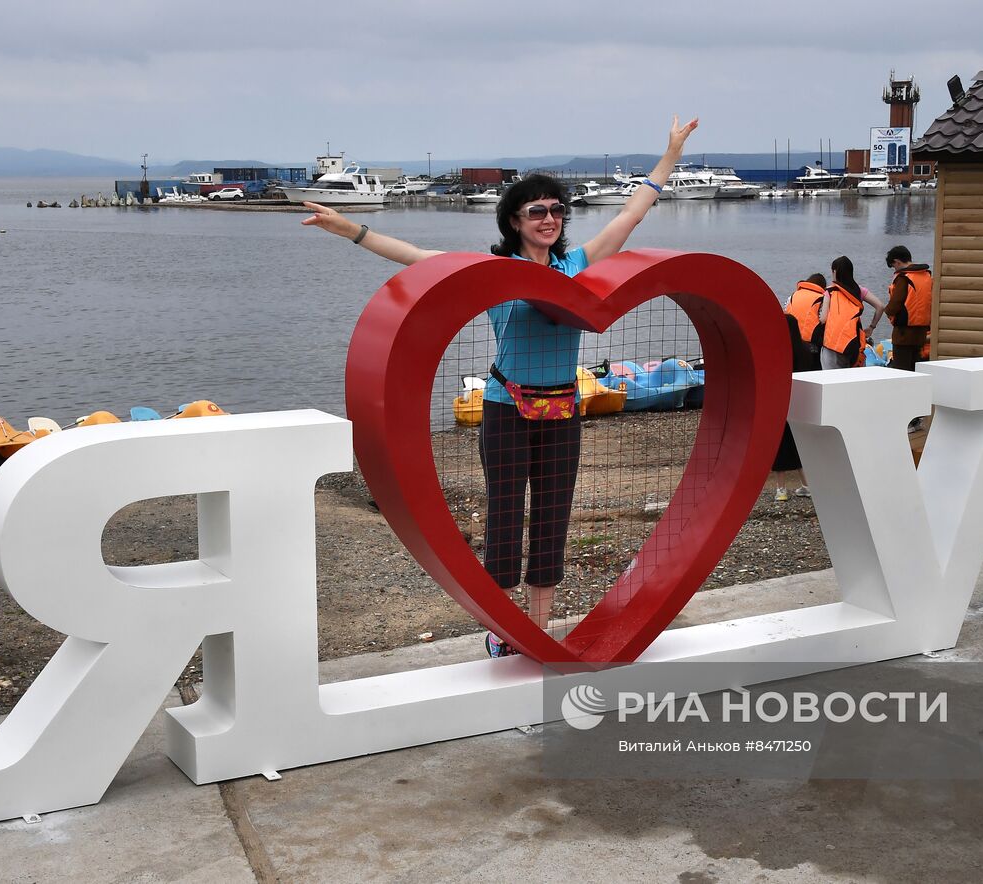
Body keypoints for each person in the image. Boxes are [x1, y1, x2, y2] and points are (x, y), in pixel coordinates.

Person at [301, 116, 700, 658]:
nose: (550, 218)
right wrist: (350, 228)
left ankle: (540, 626)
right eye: (537, 211)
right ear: (514, 220)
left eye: (558, 210)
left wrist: (670, 153)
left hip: (563, 407)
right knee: (506, 513)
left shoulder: (576, 266)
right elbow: (420, 260)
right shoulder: (494, 269)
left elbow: (630, 215)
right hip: (505, 407)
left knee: (554, 514)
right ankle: (504, 628)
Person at [772, 311, 820, 501]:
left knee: (780, 444)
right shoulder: (807, 350)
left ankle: (781, 489)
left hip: (782, 402)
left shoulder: (777, 352)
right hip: (802, 402)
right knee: (799, 443)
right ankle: (806, 485)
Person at [818, 256, 876, 370]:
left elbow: (824, 319)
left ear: (835, 271)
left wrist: (819, 316)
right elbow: (880, 306)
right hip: (853, 343)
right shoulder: (859, 290)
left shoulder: (830, 291)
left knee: (832, 380)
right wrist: (871, 327)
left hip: (832, 344)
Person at [884, 245, 933, 372]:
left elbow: (895, 304)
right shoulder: (927, 276)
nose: (894, 269)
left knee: (902, 371)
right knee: (915, 369)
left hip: (903, 334)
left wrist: (887, 311)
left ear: (897, 261)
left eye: (893, 266)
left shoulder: (903, 278)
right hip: (921, 333)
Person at [785, 273, 826, 360]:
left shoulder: (793, 296)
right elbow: (824, 320)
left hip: (789, 342)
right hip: (811, 347)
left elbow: (785, 313)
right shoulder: (822, 299)